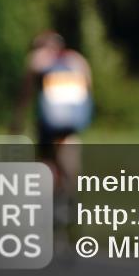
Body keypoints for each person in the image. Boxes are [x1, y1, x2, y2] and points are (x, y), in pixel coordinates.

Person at [11, 31, 93, 202]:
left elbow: (25, 95)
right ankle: (70, 198)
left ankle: (50, 199)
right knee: (69, 153)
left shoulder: (37, 60)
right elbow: (88, 90)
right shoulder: (77, 60)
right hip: (72, 119)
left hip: (48, 121)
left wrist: (17, 120)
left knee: (46, 159)